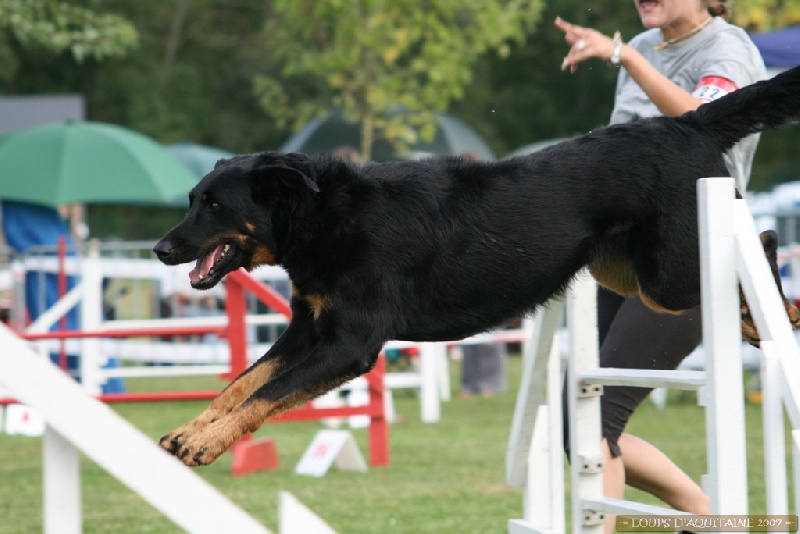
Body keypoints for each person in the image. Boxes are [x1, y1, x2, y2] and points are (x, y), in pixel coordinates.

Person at [555, 0, 766, 529]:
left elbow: (702, 125)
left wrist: (625, 57)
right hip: (622, 249)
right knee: (575, 421)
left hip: (693, 256)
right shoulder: (646, 48)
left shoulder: (727, 48)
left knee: (597, 420)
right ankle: (710, 516)